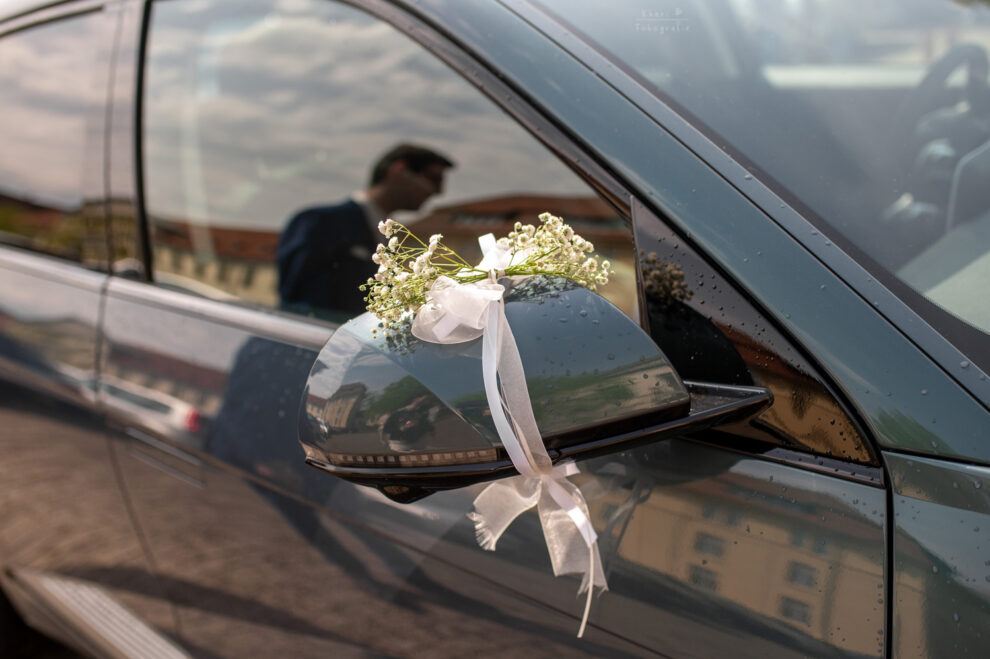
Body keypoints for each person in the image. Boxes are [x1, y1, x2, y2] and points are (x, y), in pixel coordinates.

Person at [277, 143, 454, 318]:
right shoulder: (318, 223)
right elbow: (294, 303)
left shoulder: (392, 239)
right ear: (399, 170)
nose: (438, 191)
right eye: (433, 179)